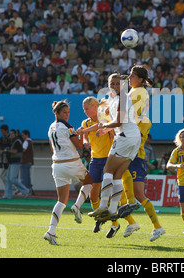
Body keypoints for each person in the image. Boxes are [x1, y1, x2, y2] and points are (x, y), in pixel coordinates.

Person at [73, 96, 139, 238]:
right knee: (93, 195)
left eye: (87, 109)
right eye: (84, 109)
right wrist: (85, 140)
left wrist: (88, 131)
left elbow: (100, 127)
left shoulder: (105, 118)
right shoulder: (85, 123)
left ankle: (128, 222)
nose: (85, 112)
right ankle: (101, 220)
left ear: (95, 107)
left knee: (110, 196)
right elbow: (86, 135)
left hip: (108, 159)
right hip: (95, 160)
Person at [83, 73, 141, 222]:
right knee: (117, 174)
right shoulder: (114, 99)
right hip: (133, 138)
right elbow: (115, 119)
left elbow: (119, 121)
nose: (115, 86)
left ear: (123, 85)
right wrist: (106, 129)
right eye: (112, 83)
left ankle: (103, 204)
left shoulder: (123, 98)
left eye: (118, 83)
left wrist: (104, 125)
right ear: (108, 84)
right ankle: (113, 208)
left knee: (107, 170)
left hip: (125, 137)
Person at [123, 65, 165, 242]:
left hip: (134, 154)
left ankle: (155, 226)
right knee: (121, 191)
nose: (129, 77)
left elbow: (127, 115)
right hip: (129, 152)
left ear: (140, 79)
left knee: (136, 194)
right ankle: (135, 222)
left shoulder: (138, 94)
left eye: (132, 75)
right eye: (130, 74)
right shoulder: (134, 94)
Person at [43, 100, 88, 245]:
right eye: (64, 112)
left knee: (61, 200)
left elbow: (52, 148)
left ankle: (51, 231)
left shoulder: (50, 127)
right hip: (71, 162)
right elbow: (80, 145)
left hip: (57, 164)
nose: (67, 115)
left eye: (68, 112)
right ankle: (77, 206)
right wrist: (80, 134)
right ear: (56, 113)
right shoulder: (67, 126)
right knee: (91, 182)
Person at [1, 129, 30, 200]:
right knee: (8, 179)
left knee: (13, 178)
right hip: (11, 162)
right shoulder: (13, 141)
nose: (10, 135)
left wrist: (6, 150)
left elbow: (15, 151)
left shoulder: (17, 141)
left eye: (12, 134)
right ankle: (7, 195)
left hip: (16, 162)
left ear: (15, 135)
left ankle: (25, 190)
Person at [20, 130, 34, 195]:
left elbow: (24, 150)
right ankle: (29, 189)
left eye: (23, 135)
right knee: (27, 177)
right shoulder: (30, 141)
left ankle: (25, 190)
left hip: (25, 161)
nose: (22, 136)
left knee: (24, 177)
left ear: (26, 135)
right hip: (29, 161)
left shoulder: (26, 141)